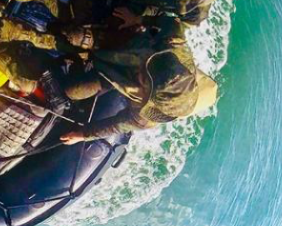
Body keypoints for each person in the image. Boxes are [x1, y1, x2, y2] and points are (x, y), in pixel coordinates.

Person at [58, 19, 218, 144]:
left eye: (146, 80)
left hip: (126, 76)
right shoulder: (175, 47)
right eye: (149, 73)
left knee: (72, 91)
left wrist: (83, 134)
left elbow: (116, 125)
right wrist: (138, 18)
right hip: (139, 50)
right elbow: (170, 21)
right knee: (76, 36)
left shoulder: (144, 118)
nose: (144, 75)